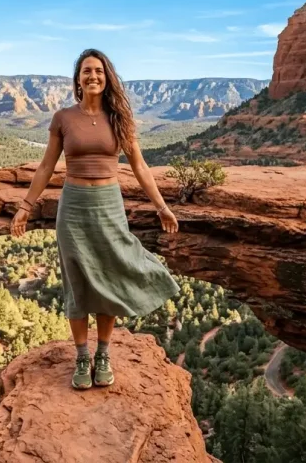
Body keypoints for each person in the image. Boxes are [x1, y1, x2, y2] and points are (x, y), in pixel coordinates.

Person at [9, 48, 181, 390]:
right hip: (73, 207)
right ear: (78, 79)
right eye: (87, 71)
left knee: (109, 276)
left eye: (99, 71)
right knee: (77, 282)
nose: (93, 76)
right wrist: (26, 205)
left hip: (108, 204)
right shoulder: (62, 118)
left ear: (107, 77)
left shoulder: (119, 119)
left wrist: (161, 205)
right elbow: (46, 166)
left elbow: (140, 166)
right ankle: (82, 356)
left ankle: (104, 353)